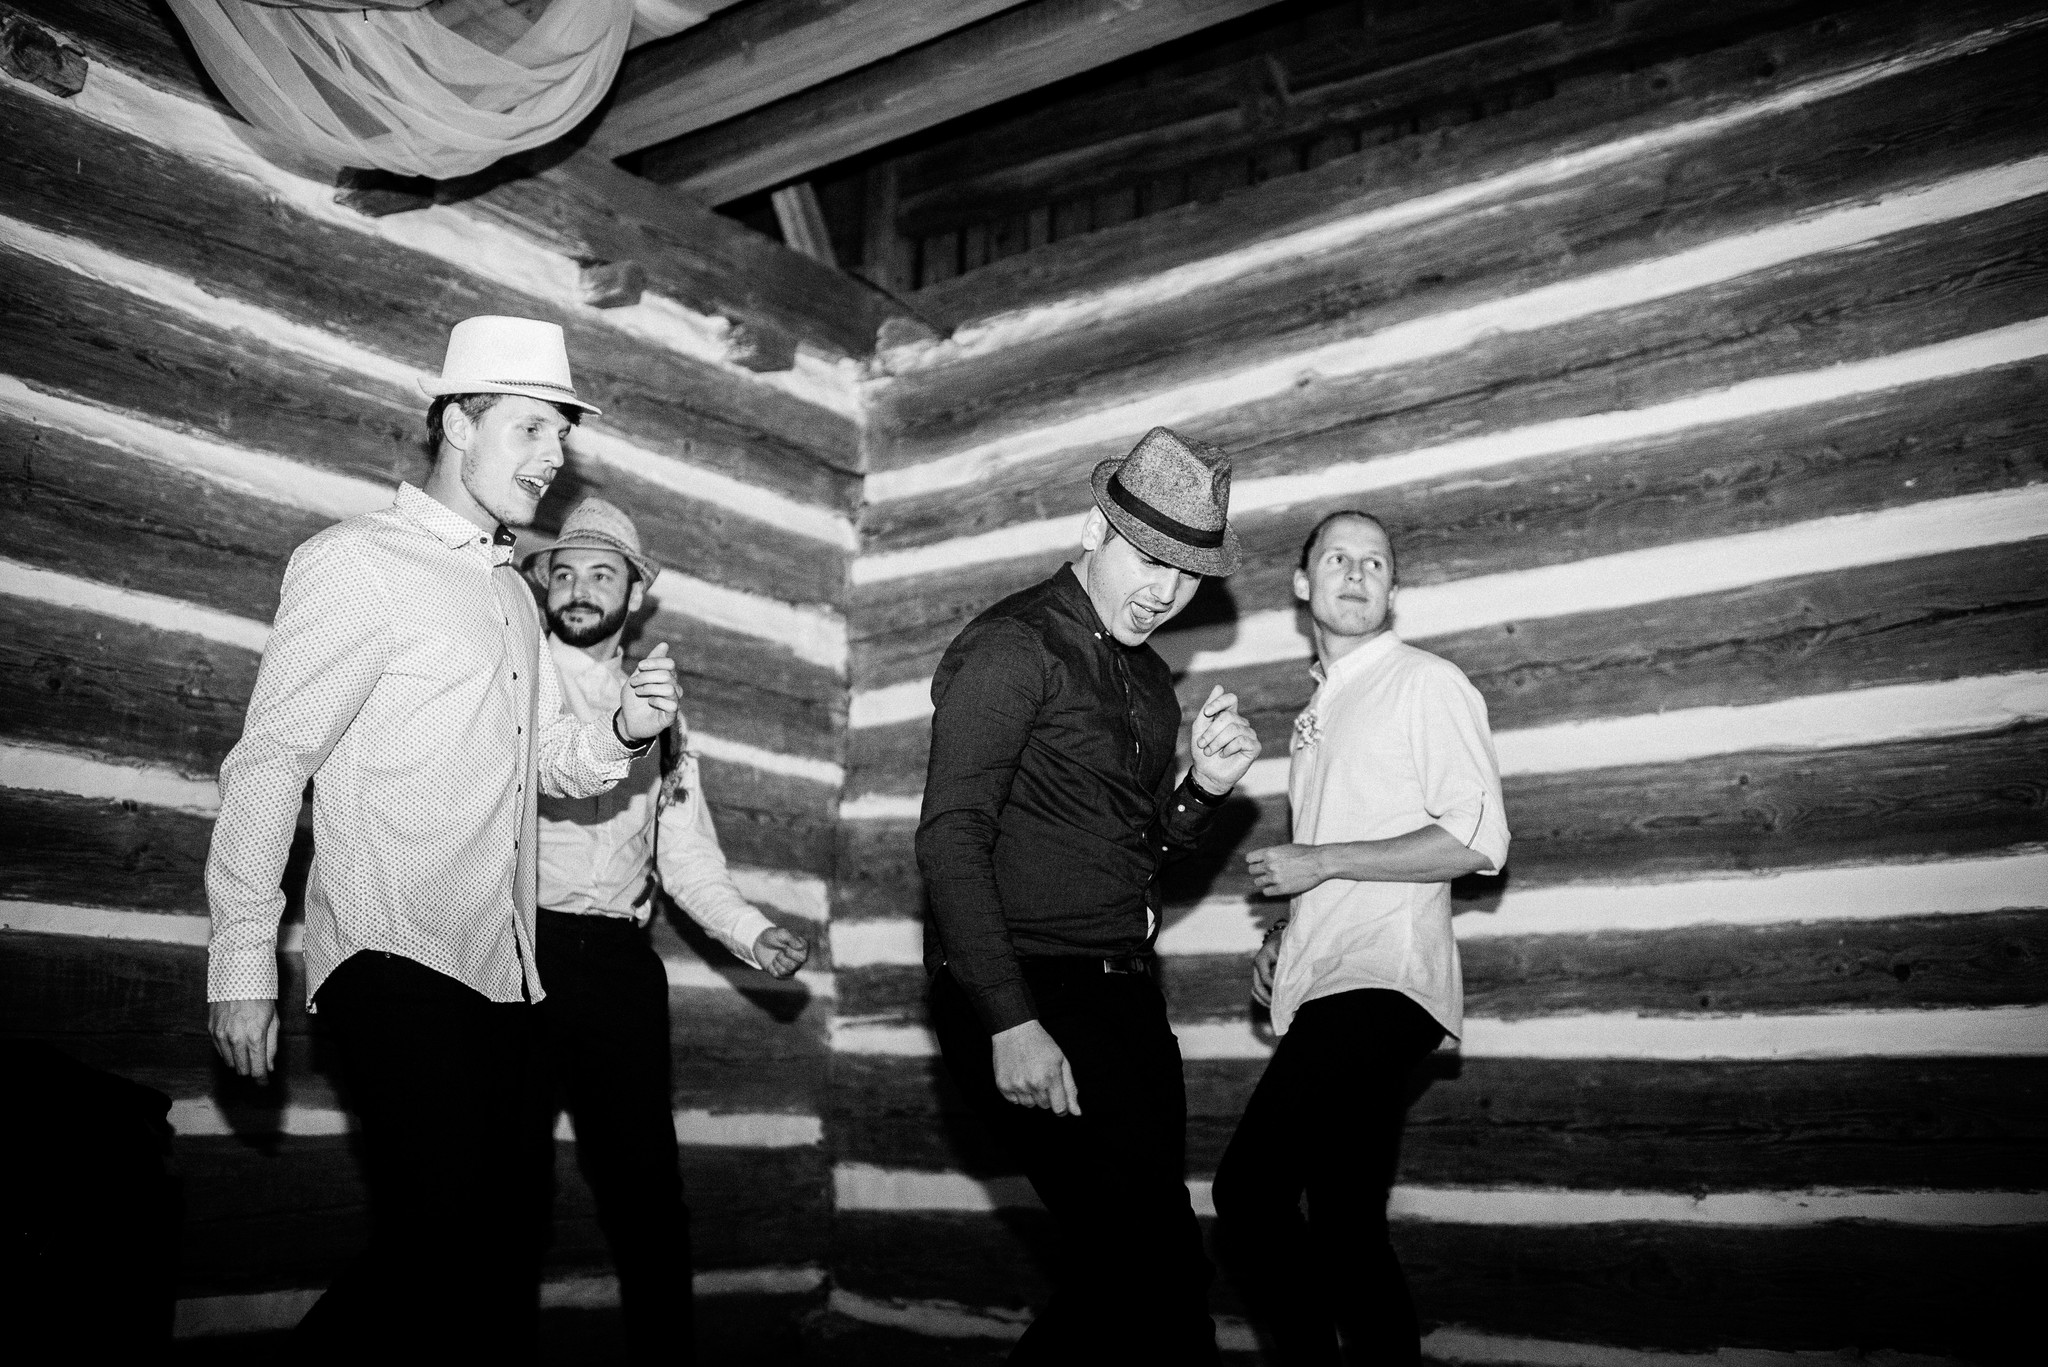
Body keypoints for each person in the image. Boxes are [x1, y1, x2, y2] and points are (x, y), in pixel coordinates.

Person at [204, 315, 681, 1357]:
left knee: (494, 1251)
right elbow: (271, 760)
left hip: (505, 971)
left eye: (562, 434)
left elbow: (545, 761)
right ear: (458, 423)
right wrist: (242, 958)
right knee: (439, 1235)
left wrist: (622, 729)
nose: (552, 457)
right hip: (392, 953)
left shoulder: (510, 592)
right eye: (530, 429)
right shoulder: (358, 561)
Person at [918, 426, 1262, 1365]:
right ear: (1093, 530)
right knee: (1141, 1267)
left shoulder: (1152, 683)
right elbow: (951, 836)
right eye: (1149, 559)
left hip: (1126, 999)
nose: (1166, 591)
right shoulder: (1013, 645)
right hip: (1027, 987)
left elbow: (1138, 856)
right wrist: (1010, 1019)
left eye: (1188, 575)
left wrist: (1203, 791)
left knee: (1152, 1272)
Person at [1212, 511, 1510, 1367]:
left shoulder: (1425, 681)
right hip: (1335, 977)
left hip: (1383, 983)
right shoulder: (1323, 708)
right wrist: (1288, 933)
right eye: (1337, 557)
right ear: (1302, 583)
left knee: (1249, 1191)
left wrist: (1320, 860)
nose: (1356, 572)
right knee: (1346, 1224)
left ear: (1392, 588)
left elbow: (1478, 839)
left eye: (1374, 562)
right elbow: (1345, 852)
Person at [520, 496, 810, 1364]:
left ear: (636, 595)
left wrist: (752, 932)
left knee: (645, 1187)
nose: (578, 589)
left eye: (600, 574)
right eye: (564, 573)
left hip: (618, 965)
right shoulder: (516, 677)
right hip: (513, 953)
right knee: (504, 1191)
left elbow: (687, 861)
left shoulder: (665, 711)